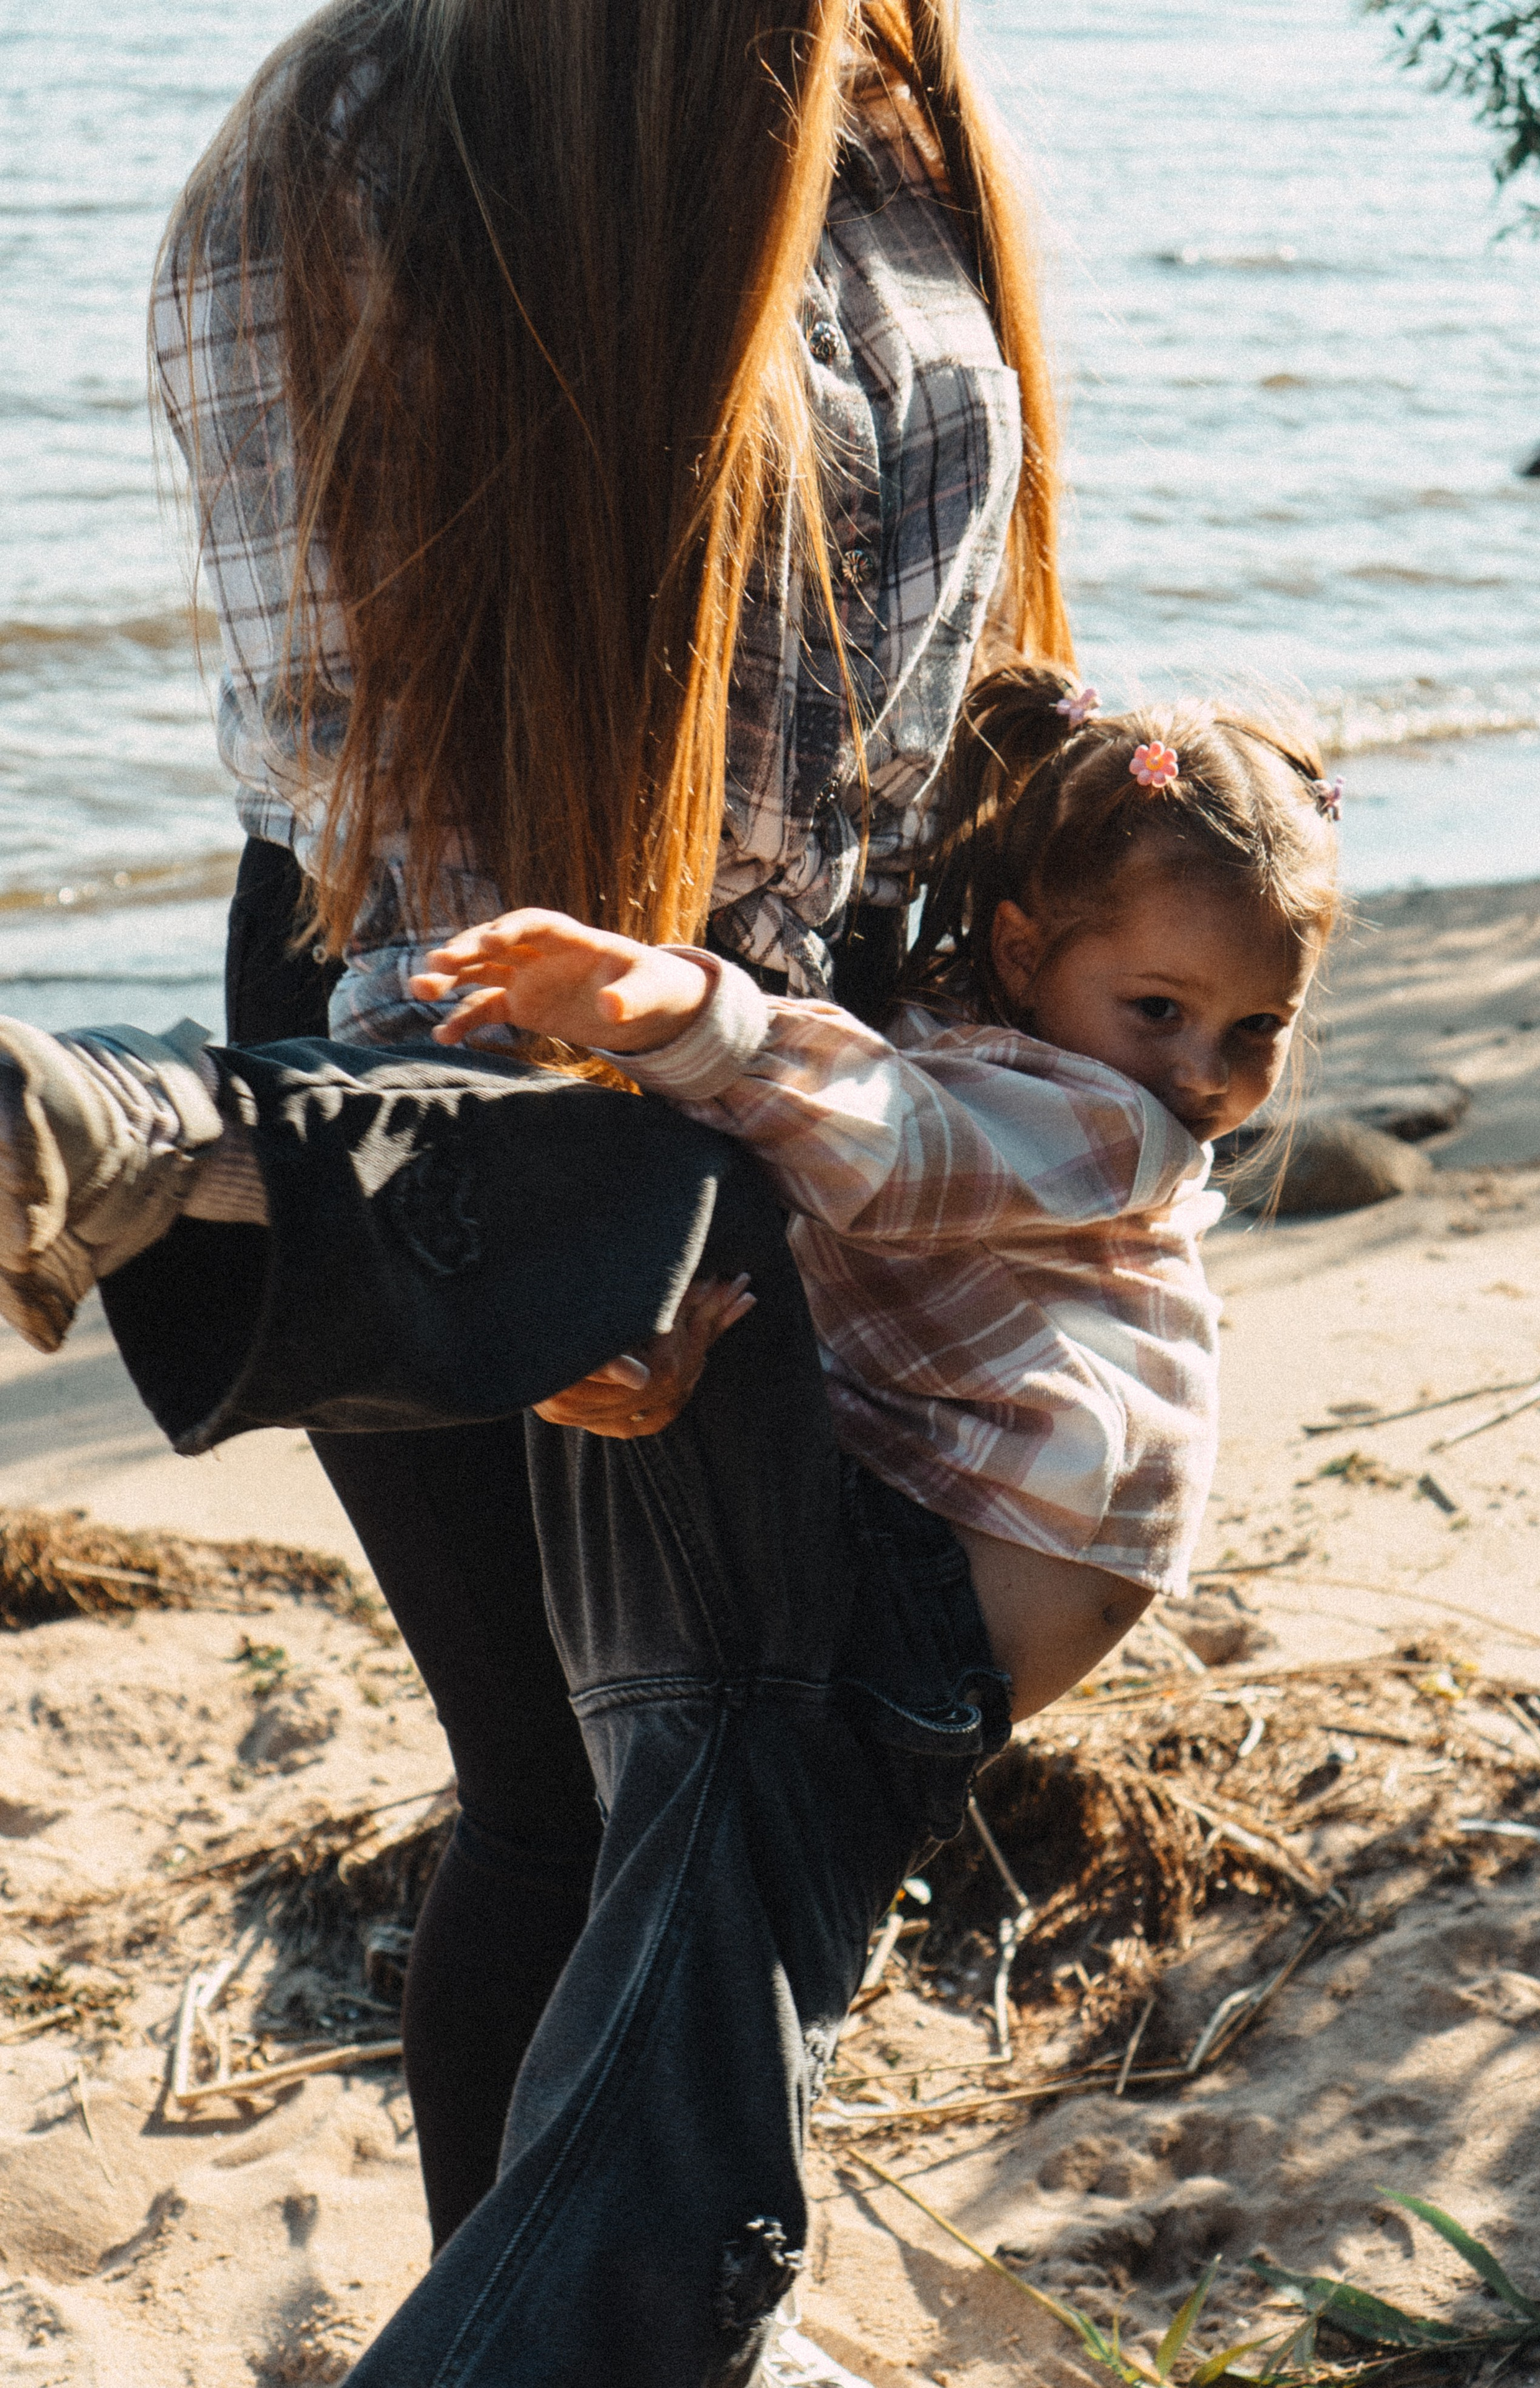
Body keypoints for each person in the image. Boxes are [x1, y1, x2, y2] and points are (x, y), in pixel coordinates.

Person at [126, 0, 1070, 2286]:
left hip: (785, 1017)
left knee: (727, 1781)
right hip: (453, 1010)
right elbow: (358, 754)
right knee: (579, 1789)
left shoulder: (873, 84)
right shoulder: (356, 130)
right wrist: (515, 1206)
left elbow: (907, 683)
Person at [410, 669, 1344, 1715]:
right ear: (1021, 951)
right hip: (916, 1566)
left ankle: (239, 1159)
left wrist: (682, 1014)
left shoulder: (1123, 1131)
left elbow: (900, 1156)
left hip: (932, 1609)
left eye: (1259, 1027)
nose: (1208, 1074)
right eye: (1161, 1008)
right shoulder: (960, 1038)